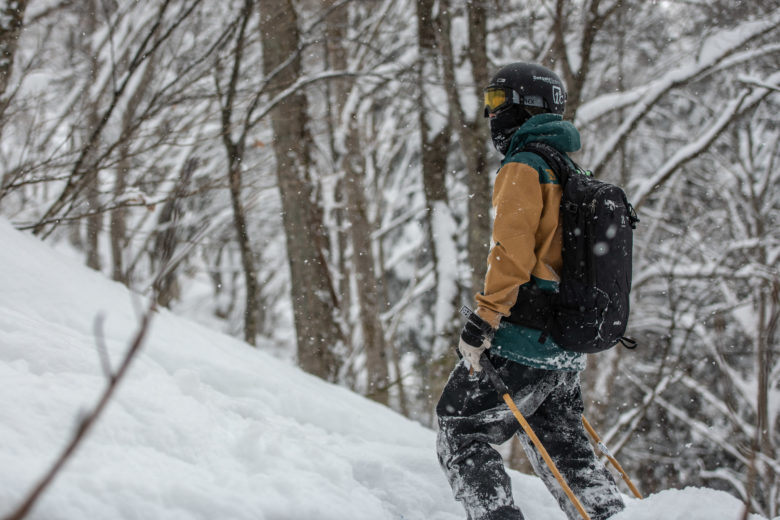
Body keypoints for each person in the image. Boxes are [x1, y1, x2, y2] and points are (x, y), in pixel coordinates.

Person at [436, 62, 626, 520]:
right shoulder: (569, 166)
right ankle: (607, 513)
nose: (489, 112)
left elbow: (511, 254)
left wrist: (483, 321)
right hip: (564, 340)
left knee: (461, 428)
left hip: (521, 337)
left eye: (498, 101)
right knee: (567, 453)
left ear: (528, 105)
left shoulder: (525, 165)